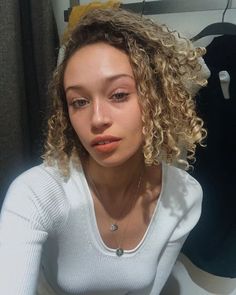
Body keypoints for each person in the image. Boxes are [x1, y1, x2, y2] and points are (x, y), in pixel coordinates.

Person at [0, 7, 208, 295]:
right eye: (79, 102)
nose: (97, 119)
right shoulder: (36, 194)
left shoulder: (183, 197)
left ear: (156, 98)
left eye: (119, 95)